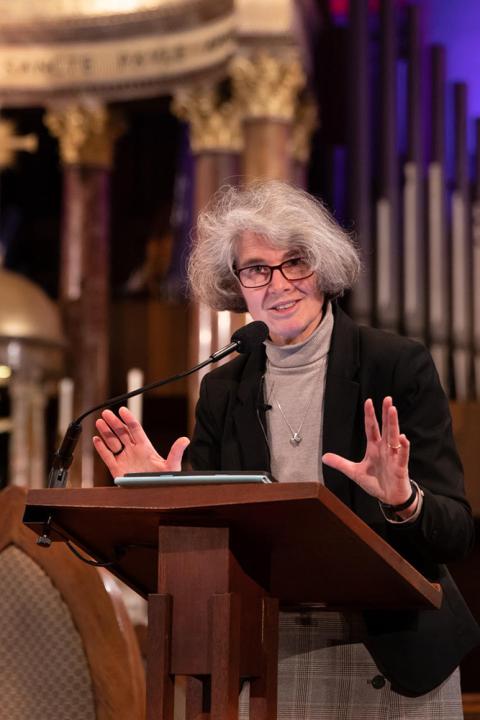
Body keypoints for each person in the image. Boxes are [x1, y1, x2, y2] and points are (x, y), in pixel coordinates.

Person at [93, 181, 480, 719]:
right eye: (256, 269)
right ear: (238, 286)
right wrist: (160, 496)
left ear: (321, 267)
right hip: (269, 650)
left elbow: (457, 531)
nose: (278, 284)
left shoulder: (394, 365)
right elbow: (209, 542)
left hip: (394, 651)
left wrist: (404, 501)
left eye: (294, 262)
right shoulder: (224, 389)